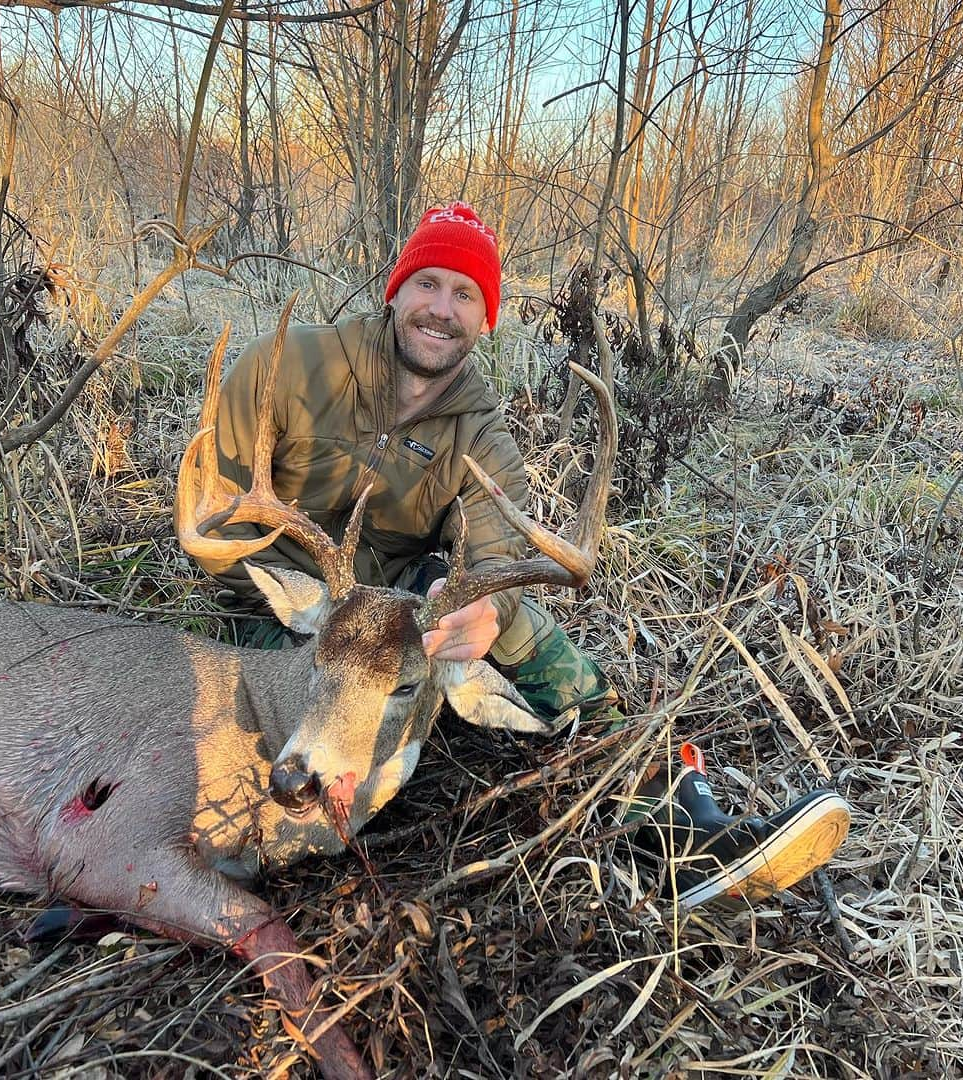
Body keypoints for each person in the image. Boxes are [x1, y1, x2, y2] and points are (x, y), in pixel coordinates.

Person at [197, 202, 851, 908]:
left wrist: (483, 609)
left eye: (465, 295)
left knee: (520, 626)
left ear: (485, 319)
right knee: (253, 754)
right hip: (287, 614)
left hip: (405, 626)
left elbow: (499, 547)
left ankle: (683, 828)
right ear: (397, 288)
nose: (441, 309)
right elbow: (211, 516)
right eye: (428, 283)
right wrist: (315, 609)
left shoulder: (482, 437)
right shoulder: (288, 365)